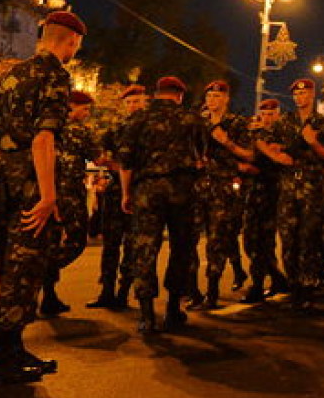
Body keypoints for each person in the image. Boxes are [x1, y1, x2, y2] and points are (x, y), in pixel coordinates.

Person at [0, 10, 84, 389]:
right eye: (75, 46)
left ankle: (13, 349)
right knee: (24, 272)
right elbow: (44, 138)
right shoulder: (55, 74)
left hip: (4, 175)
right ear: (71, 41)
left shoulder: (11, 74)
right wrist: (49, 195)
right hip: (30, 180)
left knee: (10, 266)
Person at [118, 76, 207, 333]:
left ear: (156, 94)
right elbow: (202, 156)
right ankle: (172, 309)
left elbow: (126, 162)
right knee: (181, 249)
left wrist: (126, 194)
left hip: (147, 191)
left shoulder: (138, 119)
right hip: (183, 191)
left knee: (145, 249)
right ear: (179, 95)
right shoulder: (192, 119)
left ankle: (146, 315)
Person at [255, 79, 324, 311]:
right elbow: (261, 140)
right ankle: (294, 286)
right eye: (297, 94)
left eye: (305, 93)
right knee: (289, 239)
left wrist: (313, 144)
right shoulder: (285, 122)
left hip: (312, 186)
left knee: (309, 239)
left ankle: (307, 288)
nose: (301, 97)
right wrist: (276, 155)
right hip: (288, 186)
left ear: (313, 95)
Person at [87, 84, 148, 311]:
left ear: (145, 102)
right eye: (129, 102)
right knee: (110, 245)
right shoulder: (117, 129)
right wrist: (107, 164)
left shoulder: (151, 128)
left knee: (133, 246)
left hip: (140, 192)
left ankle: (123, 291)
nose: (133, 106)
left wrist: (120, 167)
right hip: (115, 193)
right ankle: (106, 291)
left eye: (137, 101)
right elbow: (105, 156)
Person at [38, 91, 99, 317]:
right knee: (76, 241)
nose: (86, 114)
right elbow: (100, 157)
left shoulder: (48, 129)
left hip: (46, 193)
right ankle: (44, 278)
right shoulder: (80, 131)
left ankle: (47, 293)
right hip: (70, 195)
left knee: (51, 243)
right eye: (84, 109)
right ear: (71, 107)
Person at [194, 80, 254, 309]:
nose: (212, 101)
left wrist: (226, 142)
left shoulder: (236, 124)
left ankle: (212, 292)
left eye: (217, 96)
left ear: (226, 99)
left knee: (216, 241)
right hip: (199, 187)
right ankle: (192, 291)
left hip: (223, 188)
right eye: (209, 96)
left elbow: (249, 155)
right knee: (189, 240)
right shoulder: (198, 124)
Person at [242, 99, 288, 302]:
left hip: (272, 192)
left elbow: (283, 159)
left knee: (264, 241)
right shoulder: (253, 135)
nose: (267, 118)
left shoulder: (283, 135)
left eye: (271, 114)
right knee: (251, 240)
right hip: (252, 192)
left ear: (278, 115)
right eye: (264, 114)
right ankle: (278, 278)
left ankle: (258, 285)